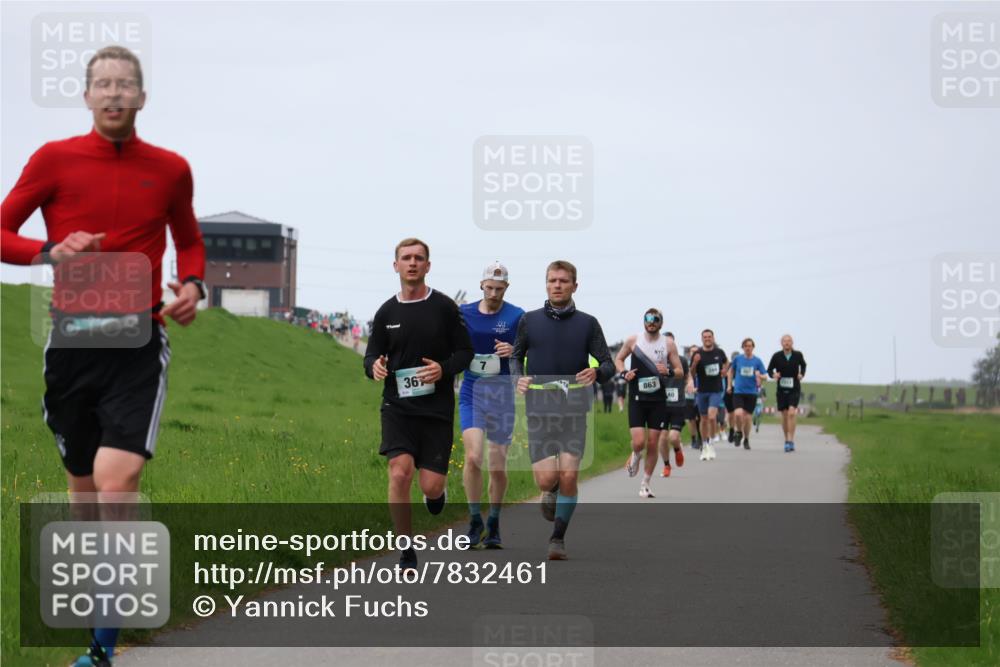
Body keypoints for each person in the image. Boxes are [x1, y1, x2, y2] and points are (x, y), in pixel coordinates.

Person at [1, 46, 206, 667]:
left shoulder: (170, 169)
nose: (115, 94)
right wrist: (49, 252)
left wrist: (194, 286)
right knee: (85, 494)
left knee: (118, 483)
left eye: (126, 86)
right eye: (103, 85)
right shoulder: (54, 160)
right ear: (87, 96)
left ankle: (103, 644)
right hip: (71, 344)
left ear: (142, 98)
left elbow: (189, 241)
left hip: (137, 342)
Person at [364, 238, 473, 569]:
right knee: (399, 473)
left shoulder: (443, 308)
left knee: (431, 483)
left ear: (427, 266)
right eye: (406, 258)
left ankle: (436, 495)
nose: (412, 263)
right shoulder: (386, 312)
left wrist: (443, 369)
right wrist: (374, 367)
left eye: (419, 258)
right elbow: (371, 354)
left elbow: (465, 353)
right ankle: (405, 549)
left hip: (436, 410)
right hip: (397, 406)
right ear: (395, 265)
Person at [512, 260, 614, 560]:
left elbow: (607, 363)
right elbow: (516, 356)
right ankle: (550, 489)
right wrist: (518, 378)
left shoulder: (588, 323)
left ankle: (557, 538)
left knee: (570, 474)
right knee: (546, 479)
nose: (557, 285)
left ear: (574, 286)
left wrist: (597, 373)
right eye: (552, 280)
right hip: (539, 410)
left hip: (574, 409)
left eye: (563, 281)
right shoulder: (529, 321)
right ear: (546, 284)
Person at [458, 262, 524, 549]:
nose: (494, 293)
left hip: (501, 395)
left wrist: (514, 352)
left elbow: (526, 351)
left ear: (506, 288)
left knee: (497, 464)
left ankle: (494, 522)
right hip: (472, 390)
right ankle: (474, 520)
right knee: (473, 457)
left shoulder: (517, 316)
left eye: (499, 289)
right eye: (490, 287)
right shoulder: (465, 313)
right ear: (481, 286)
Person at [614, 309, 682, 497]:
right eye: (648, 319)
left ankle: (645, 483)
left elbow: (680, 370)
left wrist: (668, 371)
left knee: (653, 443)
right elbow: (619, 359)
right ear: (643, 321)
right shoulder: (633, 340)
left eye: (655, 319)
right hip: (637, 397)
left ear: (661, 323)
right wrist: (623, 373)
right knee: (639, 442)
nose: (651, 322)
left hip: (658, 400)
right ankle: (636, 454)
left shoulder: (668, 343)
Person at [690, 329, 728, 461]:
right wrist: (695, 362)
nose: (707, 339)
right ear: (702, 339)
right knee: (703, 418)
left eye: (709, 337)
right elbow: (692, 373)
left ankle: (711, 443)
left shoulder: (719, 352)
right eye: (705, 337)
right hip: (702, 391)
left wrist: (724, 370)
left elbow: (726, 362)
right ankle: (705, 444)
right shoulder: (697, 353)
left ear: (713, 338)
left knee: (712, 417)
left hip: (716, 390)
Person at [767, 334, 807, 452]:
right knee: (784, 415)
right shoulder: (777, 356)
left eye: (789, 341)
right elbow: (769, 369)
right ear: (781, 343)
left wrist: (801, 374)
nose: (787, 343)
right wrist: (774, 375)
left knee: (791, 413)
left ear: (792, 343)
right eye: (785, 341)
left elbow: (804, 365)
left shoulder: (798, 355)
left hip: (794, 388)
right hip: (781, 389)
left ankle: (791, 439)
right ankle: (786, 440)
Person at [726, 338, 768, 450]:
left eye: (750, 346)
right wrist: (729, 385)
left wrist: (759, 375)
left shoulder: (757, 361)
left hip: (751, 393)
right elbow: (730, 371)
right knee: (738, 414)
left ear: (753, 347)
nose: (748, 348)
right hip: (738, 392)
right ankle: (738, 432)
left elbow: (765, 376)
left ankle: (746, 439)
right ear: (743, 347)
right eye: (746, 346)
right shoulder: (738, 359)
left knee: (748, 418)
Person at [659, 332, 691, 477]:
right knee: (662, 438)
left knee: (673, 437)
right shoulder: (656, 361)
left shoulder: (682, 360)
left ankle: (677, 449)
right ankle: (666, 465)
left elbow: (688, 375)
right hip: (661, 405)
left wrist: (690, 383)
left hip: (678, 404)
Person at [685, 345, 702, 449]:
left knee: (700, 419)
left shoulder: (703, 364)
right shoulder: (685, 364)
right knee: (691, 419)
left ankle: (701, 438)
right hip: (689, 396)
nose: (694, 353)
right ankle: (693, 439)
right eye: (692, 351)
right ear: (689, 353)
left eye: (696, 351)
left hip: (700, 395)